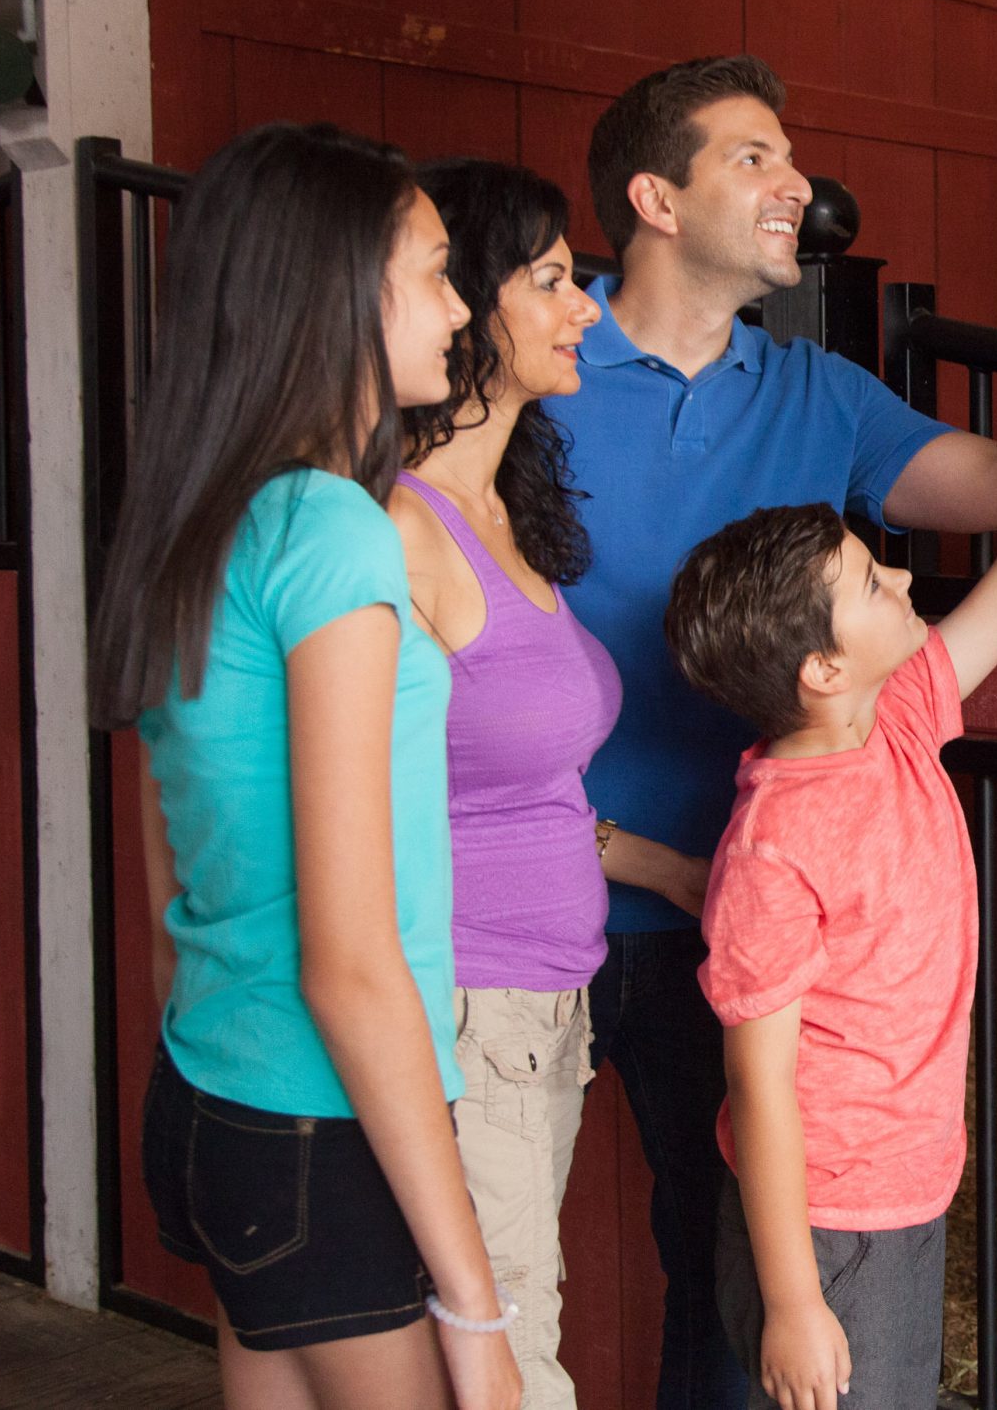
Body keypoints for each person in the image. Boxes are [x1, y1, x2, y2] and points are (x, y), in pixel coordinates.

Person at [555, 54, 997, 1408]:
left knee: (725, 1269)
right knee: (576, 1255)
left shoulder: (816, 390)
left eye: (793, 156)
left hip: (758, 914)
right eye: (756, 157)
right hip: (563, 898)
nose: (798, 185)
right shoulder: (535, 363)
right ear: (655, 197)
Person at [663, 326, 997, 1410]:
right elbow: (758, 1085)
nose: (904, 572)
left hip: (896, 1193)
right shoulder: (772, 848)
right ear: (822, 669)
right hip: (824, 1225)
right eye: (871, 581)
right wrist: (791, 1301)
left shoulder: (899, 717)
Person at [89, 123, 521, 1410]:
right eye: (438, 272)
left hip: (212, 1090)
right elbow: (350, 958)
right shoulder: (335, 529)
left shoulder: (199, 516)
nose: (459, 310)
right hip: (317, 1125)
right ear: (336, 288)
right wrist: (477, 1310)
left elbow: (177, 879)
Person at [392, 158, 691, 1407]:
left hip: (542, 1014)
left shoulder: (506, 515)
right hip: (471, 1015)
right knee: (511, 1366)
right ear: (467, 301)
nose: (588, 311)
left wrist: (672, 869)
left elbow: (517, 794)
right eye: (557, 281)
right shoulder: (402, 529)